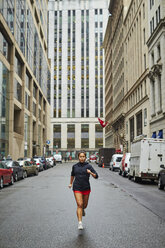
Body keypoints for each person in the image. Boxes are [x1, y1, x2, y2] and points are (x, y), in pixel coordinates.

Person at [68, 151, 98, 230]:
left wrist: (90, 172)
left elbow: (96, 176)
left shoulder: (89, 166)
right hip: (77, 187)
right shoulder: (75, 166)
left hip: (86, 187)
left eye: (83, 156)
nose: (82, 158)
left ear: (85, 157)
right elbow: (72, 175)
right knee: (79, 204)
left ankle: (83, 210)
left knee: (84, 205)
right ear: (78, 157)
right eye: (80, 156)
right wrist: (70, 183)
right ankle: (80, 223)